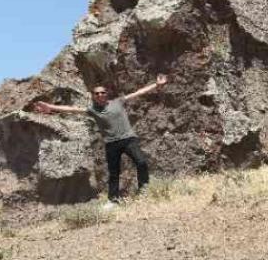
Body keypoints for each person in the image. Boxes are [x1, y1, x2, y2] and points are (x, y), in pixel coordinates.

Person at [34, 74, 168, 207]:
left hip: (128, 139)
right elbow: (72, 109)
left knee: (142, 162)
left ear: (106, 94)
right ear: (93, 96)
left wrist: (156, 85)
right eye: (96, 93)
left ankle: (144, 191)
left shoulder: (118, 102)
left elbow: (138, 93)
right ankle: (113, 200)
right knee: (114, 173)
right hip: (111, 144)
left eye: (102, 92)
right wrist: (51, 107)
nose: (100, 95)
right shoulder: (93, 110)